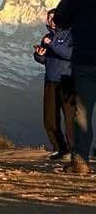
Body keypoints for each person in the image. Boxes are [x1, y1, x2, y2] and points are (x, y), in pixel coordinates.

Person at [53, 0, 96, 176]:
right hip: (84, 62)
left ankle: (80, 162)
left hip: (85, 62)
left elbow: (60, 20)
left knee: (82, 115)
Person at [34, 11, 74, 161]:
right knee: (50, 117)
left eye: (54, 18)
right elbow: (45, 60)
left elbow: (69, 54)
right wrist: (39, 55)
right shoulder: (47, 37)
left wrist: (53, 45)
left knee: (70, 118)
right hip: (50, 80)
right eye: (49, 18)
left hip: (67, 80)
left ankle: (73, 150)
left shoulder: (71, 34)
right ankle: (59, 148)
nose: (51, 20)